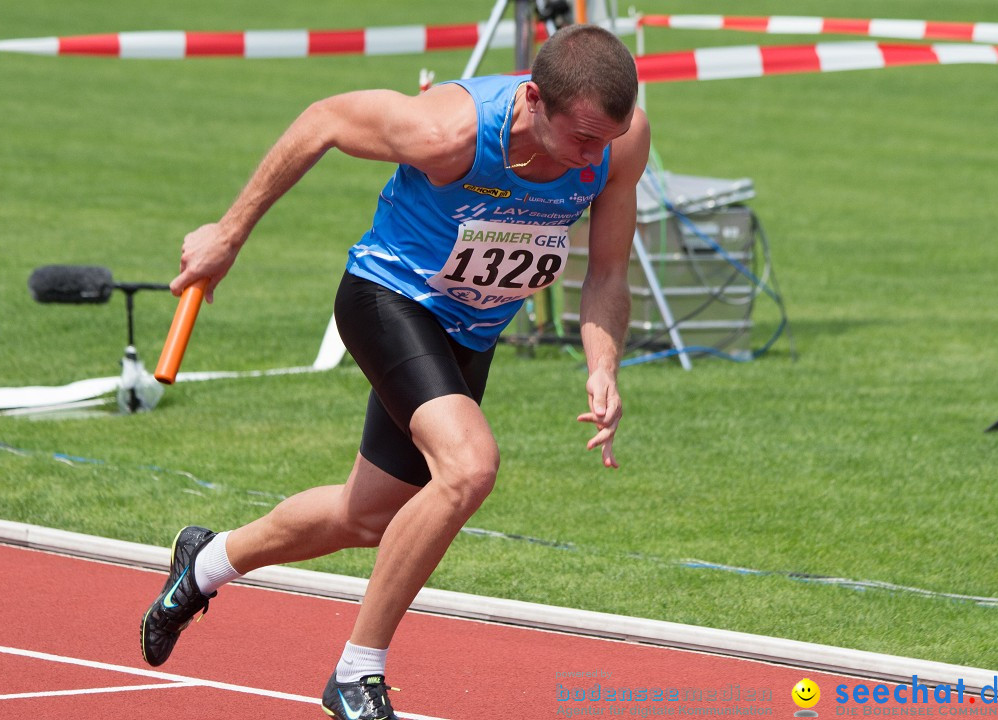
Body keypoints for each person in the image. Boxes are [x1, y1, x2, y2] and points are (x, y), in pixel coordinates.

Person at [139, 23, 649, 720]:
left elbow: (610, 271)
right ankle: (357, 672)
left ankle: (202, 565)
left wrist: (603, 365)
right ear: (532, 100)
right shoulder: (448, 133)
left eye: (607, 142)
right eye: (583, 140)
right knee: (469, 468)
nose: (594, 159)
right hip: (390, 298)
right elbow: (321, 120)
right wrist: (228, 234)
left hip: (473, 325)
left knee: (368, 515)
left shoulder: (621, 144)